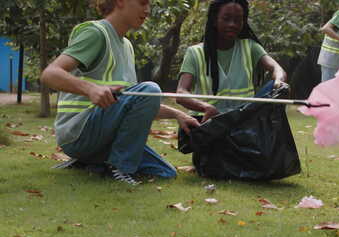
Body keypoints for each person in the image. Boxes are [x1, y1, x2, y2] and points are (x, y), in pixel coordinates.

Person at [41, 0, 200, 185]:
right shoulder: (96, 33)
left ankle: (90, 163)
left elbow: (136, 103)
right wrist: (90, 89)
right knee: (151, 88)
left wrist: (177, 114)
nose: (147, 10)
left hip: (102, 136)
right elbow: (49, 74)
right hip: (78, 132)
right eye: (142, 3)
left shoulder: (127, 46)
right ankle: (120, 167)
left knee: (165, 172)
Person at [176, 0, 287, 122]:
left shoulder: (250, 47)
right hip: (206, 124)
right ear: (214, 20)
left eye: (238, 20)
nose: (232, 24)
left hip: (243, 123)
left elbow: (277, 69)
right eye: (226, 18)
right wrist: (205, 107)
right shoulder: (195, 53)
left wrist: (278, 81)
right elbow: (181, 93)